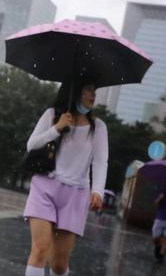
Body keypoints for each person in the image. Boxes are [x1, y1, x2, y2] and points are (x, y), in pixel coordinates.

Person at [23, 81, 108, 276]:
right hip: (44, 187)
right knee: (41, 249)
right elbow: (31, 145)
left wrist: (97, 191)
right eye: (87, 89)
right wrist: (57, 128)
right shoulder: (52, 115)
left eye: (94, 89)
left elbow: (101, 162)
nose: (92, 94)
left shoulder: (99, 127)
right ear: (75, 91)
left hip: (76, 194)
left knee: (59, 263)